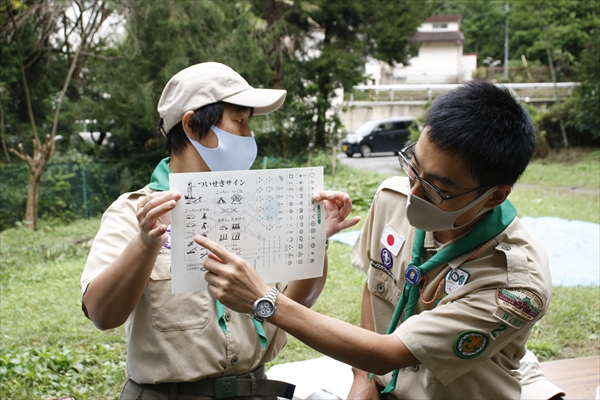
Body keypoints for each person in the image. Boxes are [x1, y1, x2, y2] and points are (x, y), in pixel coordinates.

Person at [197, 80, 553, 399]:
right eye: (413, 167)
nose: (414, 192)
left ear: (493, 196)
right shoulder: (392, 200)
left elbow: (390, 353)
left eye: (438, 188)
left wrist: (266, 300)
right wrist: (364, 379)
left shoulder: (514, 284)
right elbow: (375, 285)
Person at [80, 62, 359, 400]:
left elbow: (294, 303)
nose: (249, 135)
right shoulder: (133, 213)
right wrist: (145, 242)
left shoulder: (264, 207)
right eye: (239, 122)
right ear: (192, 126)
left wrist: (317, 239)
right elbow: (102, 314)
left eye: (248, 123)